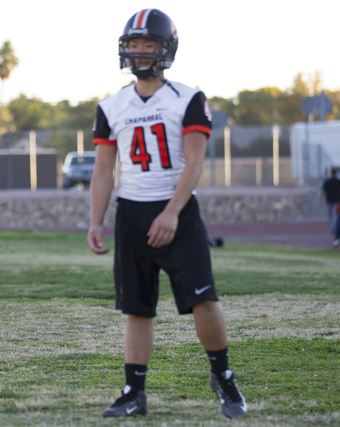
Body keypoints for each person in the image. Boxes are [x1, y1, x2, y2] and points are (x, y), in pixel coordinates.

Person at [87, 9, 246, 419]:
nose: (140, 53)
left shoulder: (188, 98)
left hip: (177, 212)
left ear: (166, 48)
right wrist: (95, 220)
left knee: (203, 298)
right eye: (133, 45)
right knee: (137, 308)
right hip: (132, 215)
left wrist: (172, 212)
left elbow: (194, 164)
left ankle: (224, 378)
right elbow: (104, 169)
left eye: (148, 44)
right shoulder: (111, 106)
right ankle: (133, 392)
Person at [319, 168, 340, 242]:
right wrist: (320, 200)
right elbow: (323, 191)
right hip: (335, 201)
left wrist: (320, 200)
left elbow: (322, 191)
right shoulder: (336, 181)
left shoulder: (329, 181)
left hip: (331, 201)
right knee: (334, 215)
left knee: (332, 215)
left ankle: (333, 228)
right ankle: (334, 228)